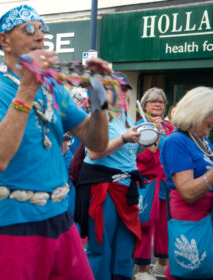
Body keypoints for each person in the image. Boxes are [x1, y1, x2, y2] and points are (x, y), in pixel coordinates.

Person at [0, 4, 110, 279]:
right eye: (29, 30)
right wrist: (27, 87)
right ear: (4, 41)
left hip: (60, 219)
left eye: (42, 30)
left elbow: (97, 143)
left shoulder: (54, 87)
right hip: (14, 223)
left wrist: (100, 94)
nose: (40, 36)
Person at [75, 74, 143, 279]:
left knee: (124, 246)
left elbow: (129, 153)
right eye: (116, 89)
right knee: (101, 246)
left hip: (126, 188)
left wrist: (147, 139)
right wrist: (124, 138)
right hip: (103, 189)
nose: (122, 93)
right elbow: (95, 152)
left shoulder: (126, 117)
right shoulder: (99, 116)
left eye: (124, 89)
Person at [160, 86, 213, 279]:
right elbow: (188, 192)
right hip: (192, 218)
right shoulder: (177, 141)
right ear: (198, 111)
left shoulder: (205, 143)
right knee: (190, 271)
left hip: (206, 218)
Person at [134, 88, 174, 280]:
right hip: (148, 184)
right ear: (144, 104)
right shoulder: (138, 127)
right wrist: (154, 140)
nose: (158, 104)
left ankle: (162, 264)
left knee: (165, 226)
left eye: (161, 101)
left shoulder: (170, 127)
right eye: (153, 101)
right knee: (145, 224)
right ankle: (141, 270)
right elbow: (138, 160)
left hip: (167, 184)